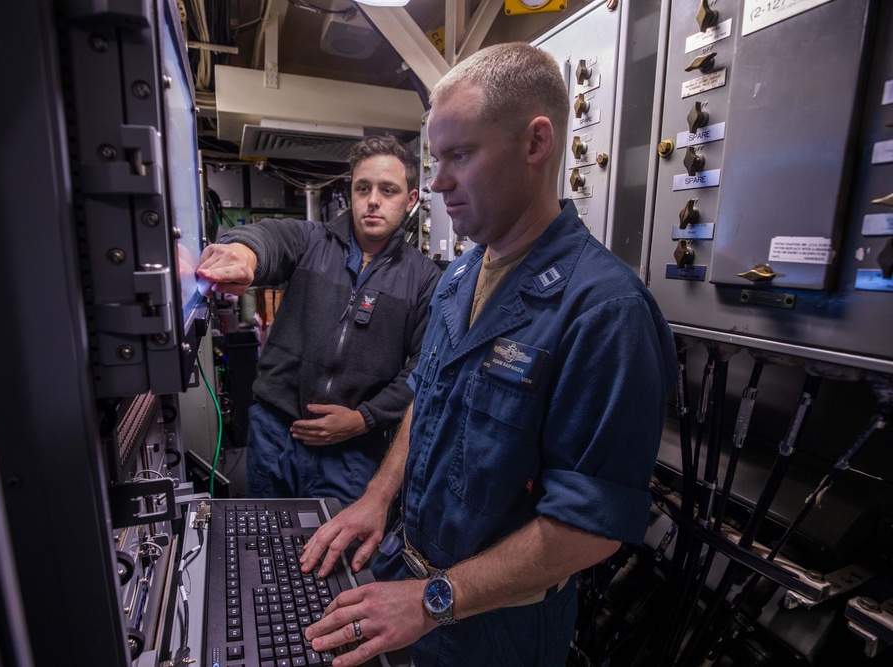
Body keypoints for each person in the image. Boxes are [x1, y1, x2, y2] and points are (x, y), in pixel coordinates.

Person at [296, 42, 677, 666]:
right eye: (436, 158)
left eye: (460, 156)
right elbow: (429, 395)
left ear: (536, 144)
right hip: (410, 577)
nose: (439, 181)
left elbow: (588, 527)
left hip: (496, 630)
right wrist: (378, 497)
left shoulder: (605, 312)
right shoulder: (460, 275)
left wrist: (431, 602)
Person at [196, 135, 441, 506]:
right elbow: (270, 239)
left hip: (354, 451)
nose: (373, 200)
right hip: (278, 434)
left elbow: (422, 368)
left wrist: (365, 419)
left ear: (410, 200)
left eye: (388, 190)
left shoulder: (424, 279)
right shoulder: (311, 241)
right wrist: (244, 253)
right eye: (363, 188)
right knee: (264, 540)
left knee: (338, 556)